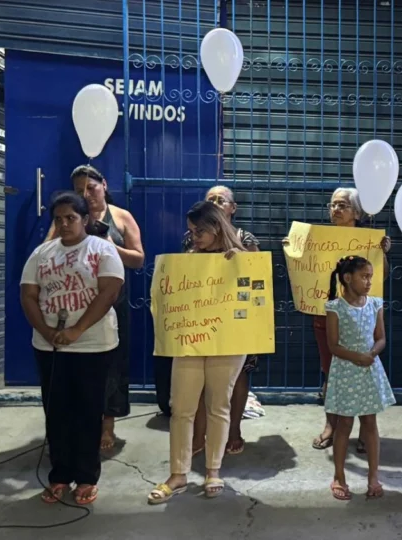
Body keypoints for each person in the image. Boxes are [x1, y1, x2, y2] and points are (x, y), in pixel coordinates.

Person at [21, 192, 125, 506]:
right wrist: (47, 332)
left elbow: (109, 292)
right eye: (59, 219)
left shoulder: (101, 249)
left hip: (93, 346)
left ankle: (87, 476)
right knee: (57, 412)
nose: (65, 224)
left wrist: (77, 330)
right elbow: (28, 295)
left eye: (71, 218)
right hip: (50, 346)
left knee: (87, 412)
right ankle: (60, 475)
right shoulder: (42, 253)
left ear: (85, 219)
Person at [147, 202, 252, 504]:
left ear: (217, 227)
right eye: (192, 231)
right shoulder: (188, 260)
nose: (194, 237)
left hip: (228, 342)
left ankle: (213, 471)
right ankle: (178, 474)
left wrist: (239, 264)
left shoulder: (243, 257)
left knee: (219, 406)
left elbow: (254, 293)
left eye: (200, 231)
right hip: (190, 341)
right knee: (181, 408)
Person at [48, 165, 145, 451]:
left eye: (91, 187)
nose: (87, 194)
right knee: (75, 366)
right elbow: (46, 251)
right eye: (79, 190)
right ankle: (78, 422)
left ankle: (108, 425)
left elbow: (138, 259)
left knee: (113, 365)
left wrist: (109, 245)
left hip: (112, 303)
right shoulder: (68, 218)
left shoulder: (121, 217)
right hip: (73, 303)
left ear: (104, 185)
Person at [306, 187, 391, 453]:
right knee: (331, 371)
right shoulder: (318, 240)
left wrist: (382, 253)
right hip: (327, 315)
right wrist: (294, 249)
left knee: (364, 373)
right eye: (332, 205)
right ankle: (331, 426)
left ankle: (366, 430)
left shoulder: (369, 241)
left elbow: (381, 276)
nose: (335, 210)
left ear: (356, 212)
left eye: (342, 205)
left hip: (362, 316)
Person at [181, 186, 261, 456]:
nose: (195, 236)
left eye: (221, 200)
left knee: (236, 376)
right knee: (201, 380)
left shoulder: (244, 239)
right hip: (202, 320)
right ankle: (199, 436)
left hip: (236, 321)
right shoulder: (190, 241)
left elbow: (258, 278)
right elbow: (182, 277)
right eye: (210, 199)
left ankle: (233, 431)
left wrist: (241, 260)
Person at [324, 255, 395, 500]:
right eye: (364, 276)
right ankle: (339, 476)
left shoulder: (375, 304)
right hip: (346, 372)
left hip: (368, 370)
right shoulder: (335, 308)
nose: (369, 282)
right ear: (347, 278)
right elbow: (333, 345)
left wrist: (371, 354)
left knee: (370, 423)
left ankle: (373, 476)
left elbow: (381, 338)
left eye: (370, 277)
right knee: (343, 424)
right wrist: (357, 356)